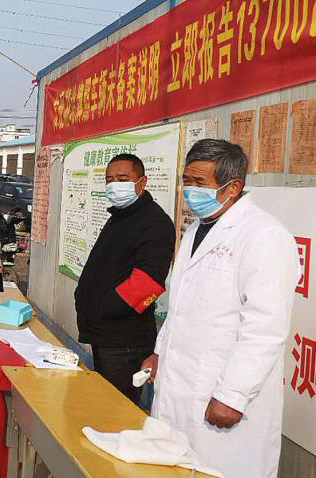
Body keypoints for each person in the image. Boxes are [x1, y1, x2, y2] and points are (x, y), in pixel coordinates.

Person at [142, 139, 298, 478]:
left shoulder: (264, 236)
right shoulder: (197, 229)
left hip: (221, 392)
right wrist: (159, 352)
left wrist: (232, 395)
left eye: (199, 183)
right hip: (180, 382)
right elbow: (181, 306)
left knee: (217, 469)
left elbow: (264, 329)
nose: (190, 191)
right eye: (187, 181)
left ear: (233, 187)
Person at [74, 154, 175, 405]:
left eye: (122, 179)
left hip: (124, 342)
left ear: (142, 182)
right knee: (102, 404)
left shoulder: (154, 222)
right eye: (109, 180)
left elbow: (148, 283)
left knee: (116, 410)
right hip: (104, 335)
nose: (114, 185)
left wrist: (104, 309)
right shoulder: (121, 216)